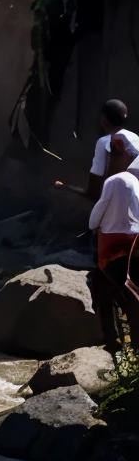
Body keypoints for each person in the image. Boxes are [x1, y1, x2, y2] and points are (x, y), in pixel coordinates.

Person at [88, 133, 139, 347]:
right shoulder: (135, 183)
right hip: (133, 245)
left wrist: (93, 225)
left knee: (102, 292)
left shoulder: (116, 180)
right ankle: (135, 346)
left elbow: (95, 217)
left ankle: (112, 341)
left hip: (111, 247)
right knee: (131, 295)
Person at [55, 98, 139, 199]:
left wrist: (65, 187)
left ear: (103, 120)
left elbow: (94, 193)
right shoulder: (135, 137)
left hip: (125, 202)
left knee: (61, 195)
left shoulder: (104, 142)